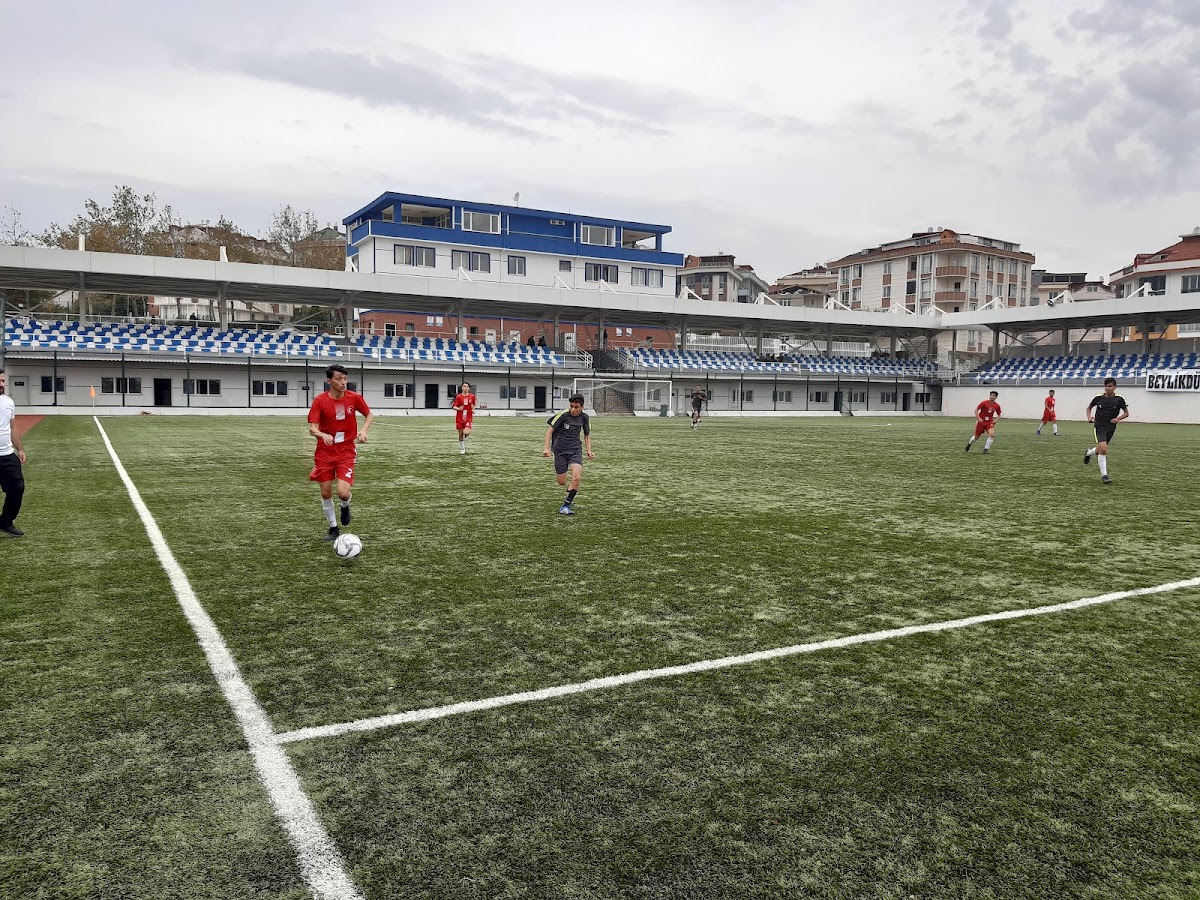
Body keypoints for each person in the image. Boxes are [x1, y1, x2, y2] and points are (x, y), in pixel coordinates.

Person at [308, 364, 374, 541]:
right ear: (329, 381)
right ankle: (333, 528)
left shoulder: (354, 398)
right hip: (324, 452)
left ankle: (345, 505)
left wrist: (364, 430)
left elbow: (369, 415)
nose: (343, 382)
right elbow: (312, 429)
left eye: (345, 378)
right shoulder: (320, 401)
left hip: (346, 450)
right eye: (338, 379)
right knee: (326, 493)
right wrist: (322, 434)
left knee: (343, 492)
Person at [542, 393, 594, 515]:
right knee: (561, 481)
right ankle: (567, 498)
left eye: (576, 407)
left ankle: (566, 505)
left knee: (576, 477)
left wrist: (589, 450)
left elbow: (587, 435)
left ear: (582, 407)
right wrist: (546, 448)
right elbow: (550, 430)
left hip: (575, 450)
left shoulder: (584, 418)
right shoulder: (563, 415)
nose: (573, 409)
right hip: (560, 450)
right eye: (571, 406)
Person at [1084, 377, 1129, 485]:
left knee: (1100, 449)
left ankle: (1089, 453)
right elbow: (1089, 408)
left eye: (1110, 386)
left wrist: (1118, 419)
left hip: (1111, 428)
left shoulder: (1119, 399)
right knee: (1103, 449)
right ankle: (1104, 475)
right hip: (1099, 426)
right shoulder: (1098, 398)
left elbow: (1126, 413)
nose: (1107, 388)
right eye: (1106, 386)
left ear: (1114, 387)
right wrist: (1089, 417)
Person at [0, 368, 28, 537]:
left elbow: (13, 427)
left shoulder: (8, 402)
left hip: (7, 455)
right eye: (0, 381)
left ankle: (5, 521)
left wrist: (20, 449)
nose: (2, 384)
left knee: (17, 488)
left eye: (3, 381)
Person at [452, 381, 477, 454]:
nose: (465, 388)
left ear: (469, 388)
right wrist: (459, 409)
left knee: (466, 432)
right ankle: (462, 448)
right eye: (464, 386)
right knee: (460, 434)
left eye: (467, 386)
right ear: (462, 388)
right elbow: (454, 406)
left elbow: (473, 404)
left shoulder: (472, 396)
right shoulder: (459, 397)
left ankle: (466, 436)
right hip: (460, 418)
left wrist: (473, 409)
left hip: (468, 417)